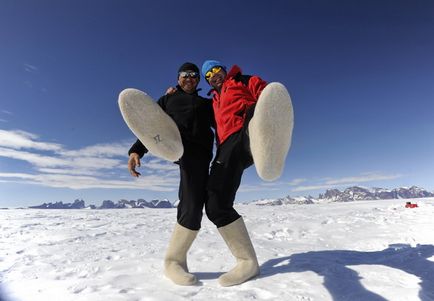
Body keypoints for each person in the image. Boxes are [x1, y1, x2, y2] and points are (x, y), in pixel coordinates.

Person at [201, 59, 293, 287]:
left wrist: (266, 108)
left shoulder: (242, 80)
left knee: (255, 110)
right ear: (208, 81)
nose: (214, 75)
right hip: (225, 149)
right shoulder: (214, 101)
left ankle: (266, 146)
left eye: (216, 70)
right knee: (214, 204)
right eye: (209, 74)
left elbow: (269, 98)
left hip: (245, 132)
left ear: (224, 70)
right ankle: (247, 262)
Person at [127, 62, 214, 286]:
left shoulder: (207, 104)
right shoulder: (168, 99)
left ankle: (179, 261)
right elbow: (150, 126)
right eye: (185, 75)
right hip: (185, 154)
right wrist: (137, 150)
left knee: (209, 202)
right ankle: (173, 262)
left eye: (194, 76)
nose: (190, 78)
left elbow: (223, 123)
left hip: (205, 157)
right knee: (192, 203)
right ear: (178, 78)